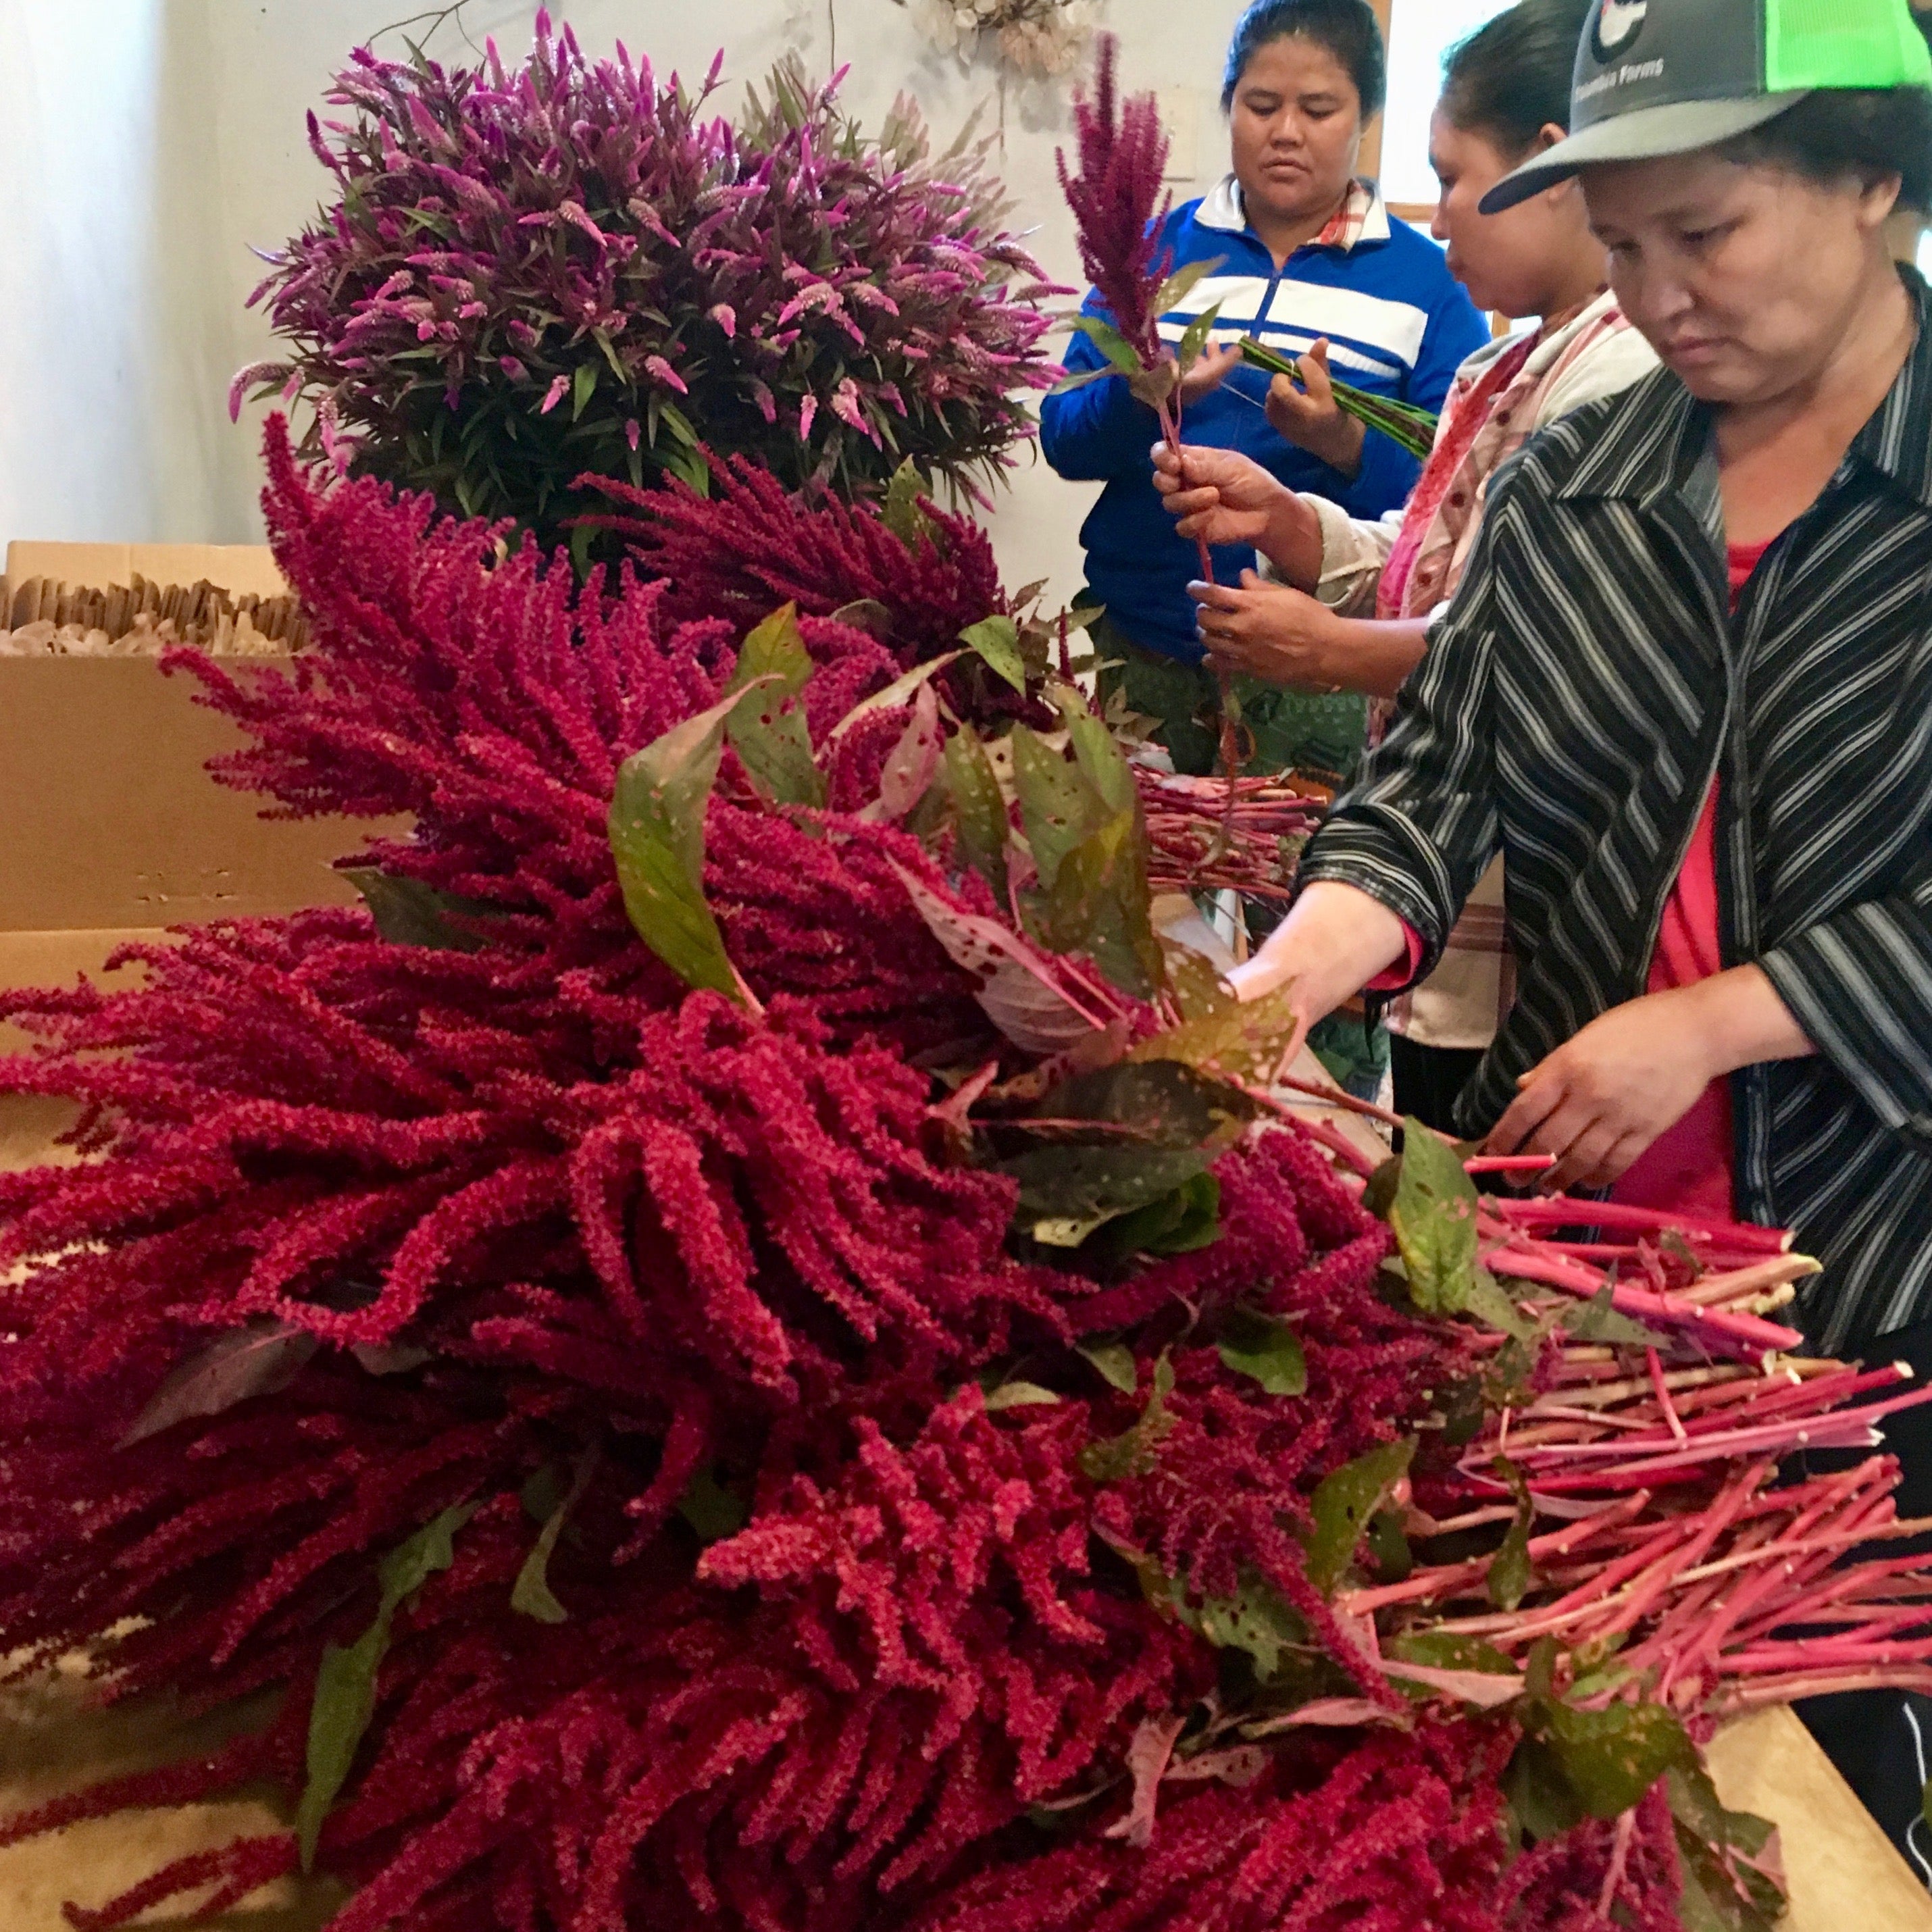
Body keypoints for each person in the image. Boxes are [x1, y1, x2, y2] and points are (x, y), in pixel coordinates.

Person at [1221, 0, 1932, 1864]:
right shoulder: (1575, 485)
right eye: (1622, 248)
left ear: (1872, 179)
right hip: (1601, 1255)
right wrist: (1283, 979)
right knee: (1612, 1745)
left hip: (1879, 1253)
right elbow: (1435, 783)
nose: (1660, 296)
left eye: (1705, 233)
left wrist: (1723, 1018)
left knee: (1845, 1736)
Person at [1150, 0, 1658, 1131]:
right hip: (1435, 881)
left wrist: (1328, 655)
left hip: (1521, 900)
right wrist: (1287, 517)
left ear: (1556, 166)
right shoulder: (1516, 359)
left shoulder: (1624, 385)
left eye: (1456, 178)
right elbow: (1441, 564)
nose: (1445, 219)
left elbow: (1532, 651)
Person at [1040, 0, 1490, 788]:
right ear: (1229, 108)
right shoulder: (1148, 252)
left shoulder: (1431, 284)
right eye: (1261, 105)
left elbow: (1452, 499)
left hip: (1313, 679)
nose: (1286, 131)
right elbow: (1064, 438)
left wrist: (1344, 444)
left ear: (1365, 118)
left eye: (1318, 109)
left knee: (1294, 900)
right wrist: (1144, 396)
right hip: (1133, 651)